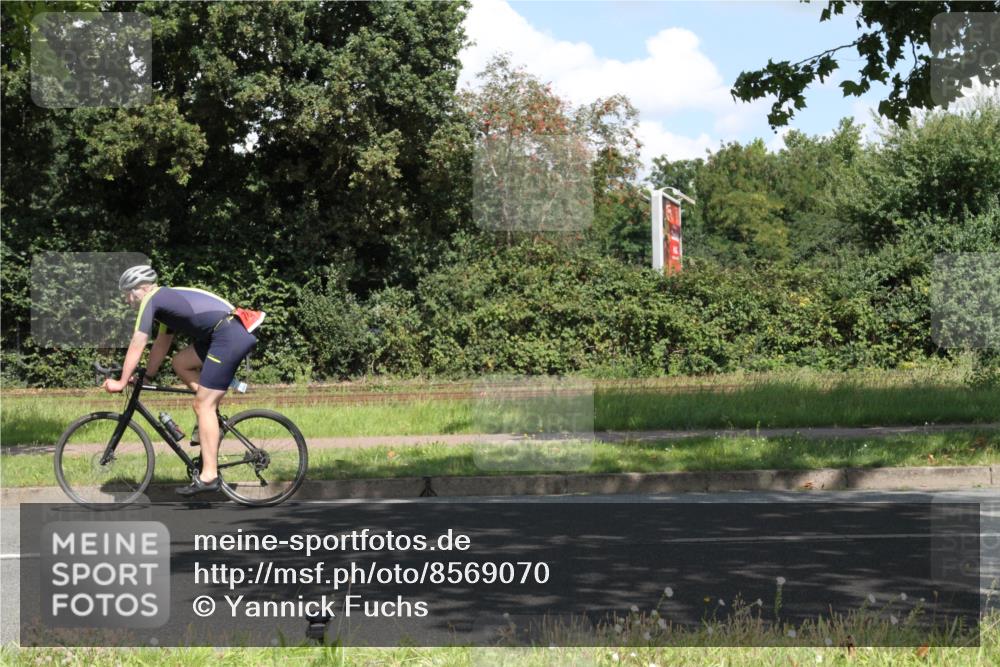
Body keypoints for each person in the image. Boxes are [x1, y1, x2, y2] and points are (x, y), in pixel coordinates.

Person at [104, 265, 264, 496]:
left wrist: (121, 382)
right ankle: (210, 414)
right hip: (223, 333)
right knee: (180, 362)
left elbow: (138, 342)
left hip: (228, 335)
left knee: (202, 405)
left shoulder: (152, 299)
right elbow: (161, 344)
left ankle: (210, 476)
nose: (127, 300)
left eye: (128, 294)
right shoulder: (165, 303)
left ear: (141, 289)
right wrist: (147, 375)